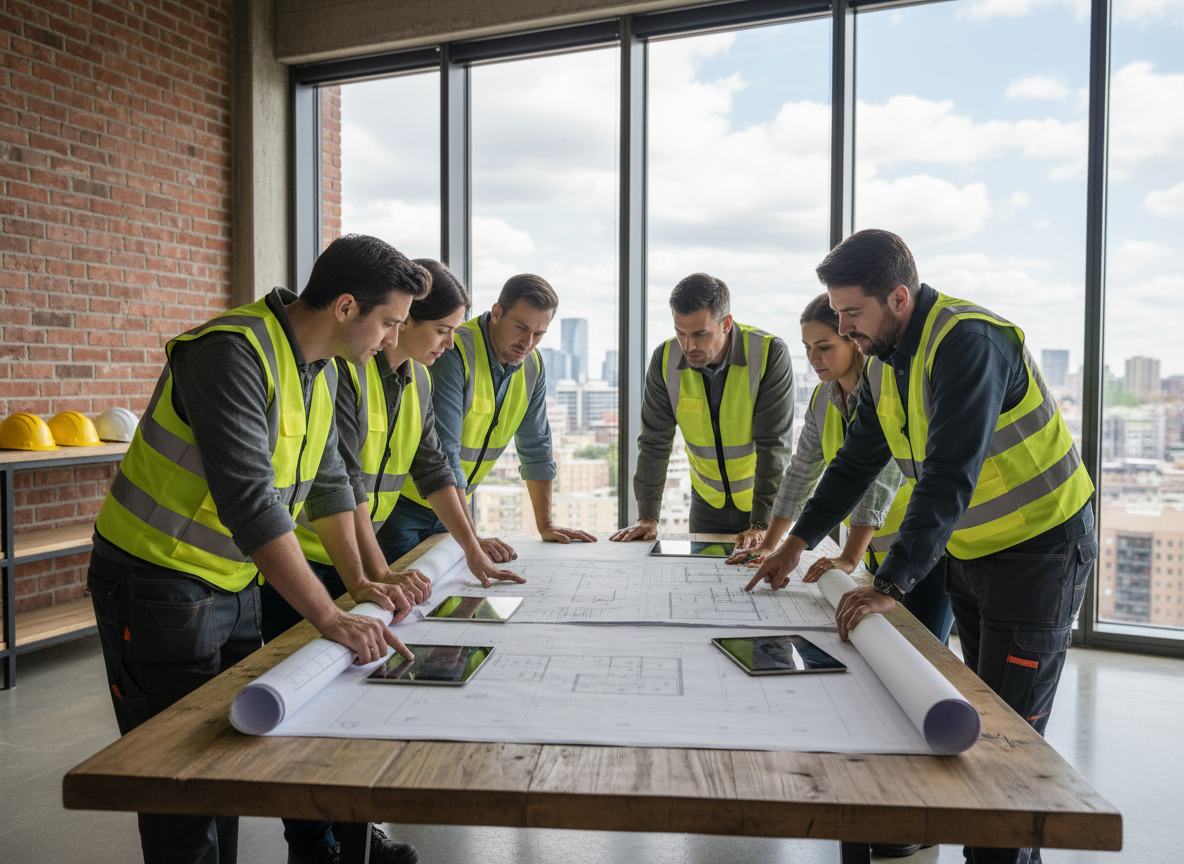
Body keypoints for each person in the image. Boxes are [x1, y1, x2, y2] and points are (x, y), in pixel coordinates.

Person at [747, 229, 1096, 864]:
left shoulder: (969, 342)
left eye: (853, 313)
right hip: (975, 552)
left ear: (899, 297)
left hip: (1041, 555)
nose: (845, 327)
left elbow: (948, 475)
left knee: (1007, 757)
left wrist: (888, 585)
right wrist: (795, 542)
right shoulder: (886, 359)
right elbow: (856, 461)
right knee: (980, 730)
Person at [87, 234, 425, 864]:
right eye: (389, 323)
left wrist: (359, 586)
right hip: (156, 581)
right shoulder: (231, 352)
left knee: (225, 764)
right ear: (347, 307)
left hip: (233, 582)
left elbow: (329, 485)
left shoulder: (317, 367)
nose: (391, 341)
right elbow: (250, 501)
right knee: (178, 780)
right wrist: (327, 616)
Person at [267, 259, 524, 864]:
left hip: (359, 550)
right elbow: (342, 483)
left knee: (359, 708)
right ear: (404, 324)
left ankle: (353, 831)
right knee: (309, 718)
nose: (449, 344)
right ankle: (315, 846)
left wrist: (469, 547)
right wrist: (370, 573)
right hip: (307, 557)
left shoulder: (420, 380)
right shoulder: (346, 375)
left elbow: (434, 467)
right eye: (439, 331)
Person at [729, 293, 954, 645]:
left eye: (824, 346)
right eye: (807, 347)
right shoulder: (822, 398)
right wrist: (773, 544)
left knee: (921, 654)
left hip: (925, 551)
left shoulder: (886, 390)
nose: (813, 358)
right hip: (882, 549)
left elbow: (878, 479)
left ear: (854, 341)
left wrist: (850, 557)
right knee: (883, 647)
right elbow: (800, 472)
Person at [386, 272, 596, 553]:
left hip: (453, 508)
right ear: (496, 313)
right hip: (404, 507)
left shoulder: (532, 365)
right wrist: (473, 539)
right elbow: (445, 455)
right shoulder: (453, 351)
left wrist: (545, 525)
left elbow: (536, 446)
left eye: (538, 334)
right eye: (520, 327)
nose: (528, 342)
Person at [611, 272, 794, 547]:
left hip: (765, 505)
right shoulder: (665, 360)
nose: (689, 346)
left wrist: (761, 523)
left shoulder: (769, 353)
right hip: (707, 504)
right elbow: (654, 443)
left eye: (700, 334)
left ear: (726, 324)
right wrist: (647, 517)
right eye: (680, 333)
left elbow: (774, 445)